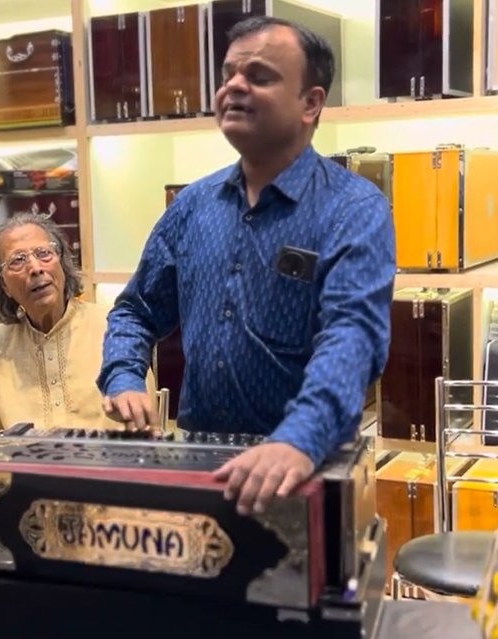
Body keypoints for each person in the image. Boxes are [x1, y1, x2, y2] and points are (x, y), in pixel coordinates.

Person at [98, 17, 395, 515]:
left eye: (258, 76)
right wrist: (124, 376)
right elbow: (135, 311)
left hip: (306, 472)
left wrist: (297, 440)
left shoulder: (353, 209)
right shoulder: (192, 206)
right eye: (228, 74)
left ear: (311, 102)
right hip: (201, 466)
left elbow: (353, 338)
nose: (233, 86)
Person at [0, 214, 154, 450]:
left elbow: (147, 435)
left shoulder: (115, 328)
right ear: (4, 285)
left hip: (108, 480)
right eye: (18, 261)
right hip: (28, 483)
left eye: (44, 254)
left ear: (62, 263)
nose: (35, 268)